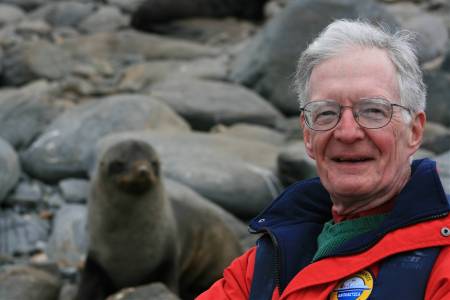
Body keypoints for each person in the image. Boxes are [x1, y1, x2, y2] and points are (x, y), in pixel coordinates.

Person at [196, 19, 450, 300]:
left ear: (414, 131)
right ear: (307, 136)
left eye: (373, 111)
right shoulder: (265, 264)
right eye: (326, 113)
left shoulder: (441, 263)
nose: (347, 132)